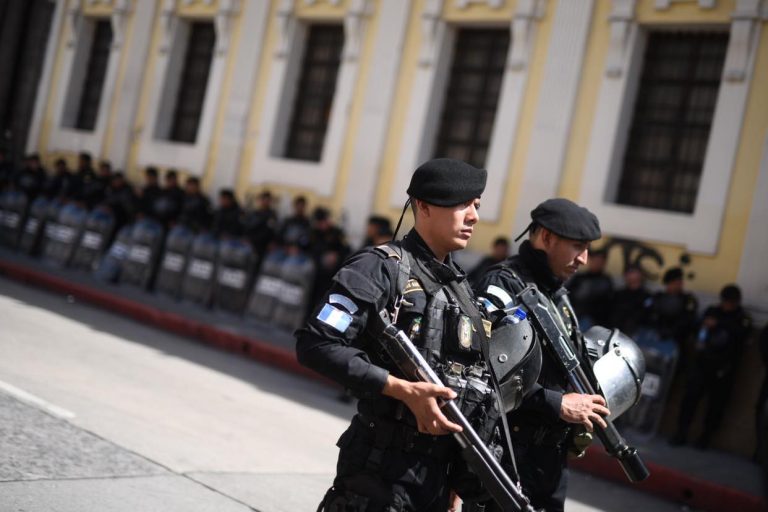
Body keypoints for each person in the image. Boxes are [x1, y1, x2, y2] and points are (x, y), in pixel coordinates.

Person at [296, 158, 510, 511]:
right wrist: (402, 390)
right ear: (422, 206)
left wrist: (456, 481)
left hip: (436, 480)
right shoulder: (379, 268)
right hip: (379, 474)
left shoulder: (462, 289)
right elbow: (316, 344)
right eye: (462, 204)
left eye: (476, 206)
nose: (473, 216)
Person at [475, 198, 610, 512]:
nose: (584, 259)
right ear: (547, 238)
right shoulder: (501, 286)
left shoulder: (555, 293)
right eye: (578, 246)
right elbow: (482, 371)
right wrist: (556, 403)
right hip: (506, 451)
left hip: (549, 458)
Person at [671, 284, 752, 449]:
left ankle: (705, 438)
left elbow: (741, 335)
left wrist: (719, 324)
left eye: (730, 302)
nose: (727, 305)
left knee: (715, 407)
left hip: (724, 369)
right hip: (703, 363)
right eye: (725, 302)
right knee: (690, 400)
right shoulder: (712, 311)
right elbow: (697, 328)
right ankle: (681, 432)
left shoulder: (741, 318)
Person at [566, 248, 614, 330]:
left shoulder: (606, 281)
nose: (597, 263)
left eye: (600, 261)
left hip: (594, 321)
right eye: (595, 260)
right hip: (575, 315)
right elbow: (569, 295)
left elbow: (607, 305)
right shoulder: (580, 278)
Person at [609, 265, 651, 337]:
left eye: (635, 274)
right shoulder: (618, 294)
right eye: (630, 273)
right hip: (616, 333)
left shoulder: (646, 297)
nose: (633, 277)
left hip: (638, 336)